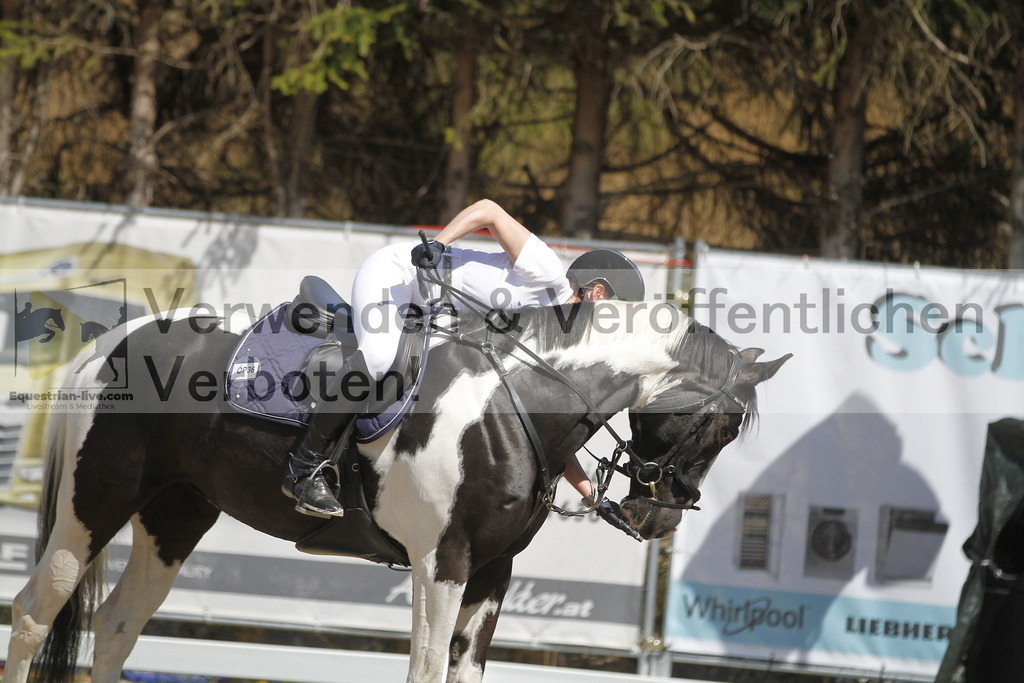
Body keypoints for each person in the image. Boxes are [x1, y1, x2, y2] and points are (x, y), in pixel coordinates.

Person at [283, 199, 645, 537]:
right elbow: (488, 210)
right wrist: (439, 243)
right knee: (378, 357)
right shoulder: (546, 270)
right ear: (597, 292)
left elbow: (544, 428)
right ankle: (303, 466)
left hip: (427, 315)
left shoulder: (551, 343)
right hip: (400, 276)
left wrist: (596, 499)